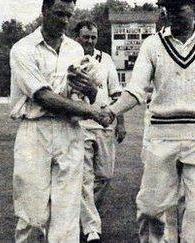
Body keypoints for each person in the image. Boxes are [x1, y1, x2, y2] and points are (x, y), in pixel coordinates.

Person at [103, 0, 195, 242]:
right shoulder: (152, 44)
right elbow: (135, 89)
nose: (171, 16)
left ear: (194, 8)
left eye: (178, 10)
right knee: (149, 208)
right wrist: (112, 111)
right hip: (162, 134)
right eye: (167, 10)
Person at [9, 0, 113, 242]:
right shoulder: (23, 49)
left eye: (69, 15)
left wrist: (90, 90)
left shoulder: (75, 50)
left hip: (70, 131)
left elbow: (84, 93)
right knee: (32, 217)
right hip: (35, 131)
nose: (65, 21)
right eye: (59, 14)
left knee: (66, 215)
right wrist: (92, 111)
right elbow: (43, 97)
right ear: (44, 11)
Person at [73, 20, 126, 242]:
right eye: (85, 37)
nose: (89, 40)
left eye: (93, 37)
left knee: (105, 176)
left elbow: (116, 94)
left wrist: (120, 123)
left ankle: (83, 216)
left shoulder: (106, 60)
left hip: (104, 123)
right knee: (84, 177)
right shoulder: (70, 57)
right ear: (77, 37)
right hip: (80, 125)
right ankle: (92, 229)